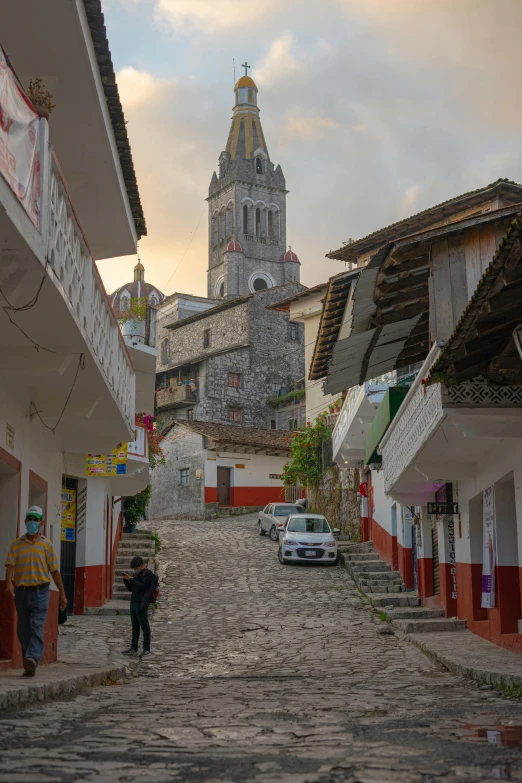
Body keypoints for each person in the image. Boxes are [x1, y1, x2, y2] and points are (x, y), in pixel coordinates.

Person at [4, 506, 67, 677]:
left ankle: (32, 658)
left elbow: (54, 571)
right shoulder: (16, 545)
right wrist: (9, 584)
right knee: (23, 629)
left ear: (41, 523)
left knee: (36, 625)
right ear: (25, 521)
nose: (32, 522)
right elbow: (10, 566)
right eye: (30, 519)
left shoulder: (47, 545)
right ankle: (28, 662)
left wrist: (62, 593)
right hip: (21, 592)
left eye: (36, 519)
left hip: (41, 592)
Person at [122, 556, 154, 658]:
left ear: (141, 566)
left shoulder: (148, 574)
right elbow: (132, 588)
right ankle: (133, 647)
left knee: (144, 626)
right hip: (134, 602)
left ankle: (146, 648)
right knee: (135, 626)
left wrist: (131, 579)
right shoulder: (136, 575)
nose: (135, 570)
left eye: (136, 568)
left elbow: (143, 587)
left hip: (141, 603)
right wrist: (126, 580)